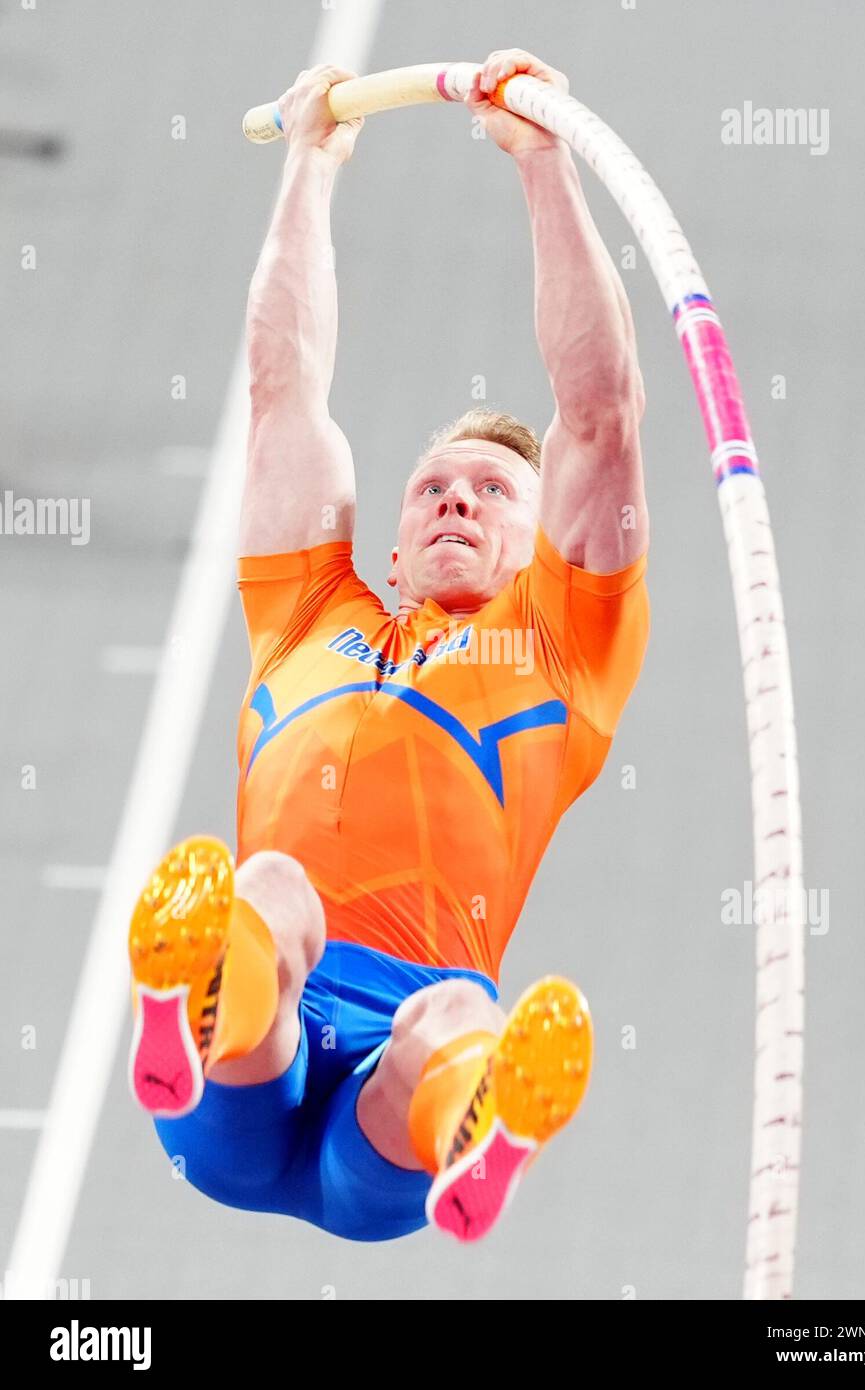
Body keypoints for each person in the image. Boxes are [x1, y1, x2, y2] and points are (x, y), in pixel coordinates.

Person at [127, 49, 650, 1244]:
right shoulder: (310, 612)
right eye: (432, 490)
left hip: (393, 1098)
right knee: (264, 887)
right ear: (396, 549)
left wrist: (542, 162)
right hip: (241, 1059)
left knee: (459, 1013)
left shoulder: (562, 649)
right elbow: (283, 390)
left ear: (542, 547)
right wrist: (309, 163)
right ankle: (191, 1001)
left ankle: (486, 1128)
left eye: (492, 493)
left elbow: (601, 416)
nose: (455, 502)